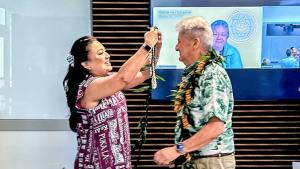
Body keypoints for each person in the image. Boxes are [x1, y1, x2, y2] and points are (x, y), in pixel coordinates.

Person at [63, 28, 162, 169]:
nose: (107, 55)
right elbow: (123, 78)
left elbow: (146, 72)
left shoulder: (108, 79)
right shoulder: (89, 87)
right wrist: (146, 45)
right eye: (100, 53)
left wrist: (156, 47)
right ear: (86, 64)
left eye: (105, 51)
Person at [153, 16, 235, 169]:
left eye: (179, 41)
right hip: (197, 160)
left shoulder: (212, 74)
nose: (176, 47)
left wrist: (177, 150)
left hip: (212, 162)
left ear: (195, 43)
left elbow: (215, 127)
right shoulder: (194, 73)